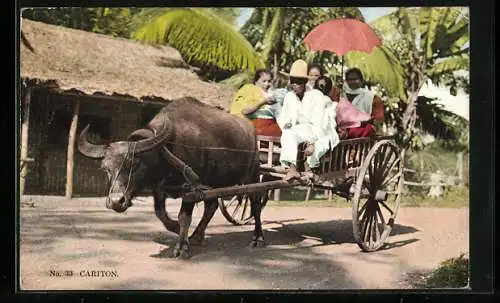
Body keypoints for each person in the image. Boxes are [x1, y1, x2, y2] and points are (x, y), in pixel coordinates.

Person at [277, 60, 331, 181]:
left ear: (305, 82)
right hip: (297, 130)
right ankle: (292, 168)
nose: (294, 85)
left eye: (298, 81)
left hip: (315, 131)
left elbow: (320, 122)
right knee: (288, 133)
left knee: (309, 137)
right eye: (292, 81)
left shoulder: (316, 96)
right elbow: (283, 116)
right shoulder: (289, 96)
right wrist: (286, 124)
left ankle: (309, 167)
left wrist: (312, 142)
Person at [229, 69, 283, 137]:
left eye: (269, 81)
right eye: (264, 81)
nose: (267, 84)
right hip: (255, 124)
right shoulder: (250, 89)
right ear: (256, 81)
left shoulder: (271, 94)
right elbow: (245, 111)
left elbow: (278, 114)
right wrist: (263, 103)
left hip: (271, 124)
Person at [338, 67, 385, 139]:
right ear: (346, 81)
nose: (353, 82)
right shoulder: (340, 96)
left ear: (361, 81)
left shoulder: (373, 98)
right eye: (350, 79)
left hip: (363, 132)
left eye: (355, 79)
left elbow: (378, 119)